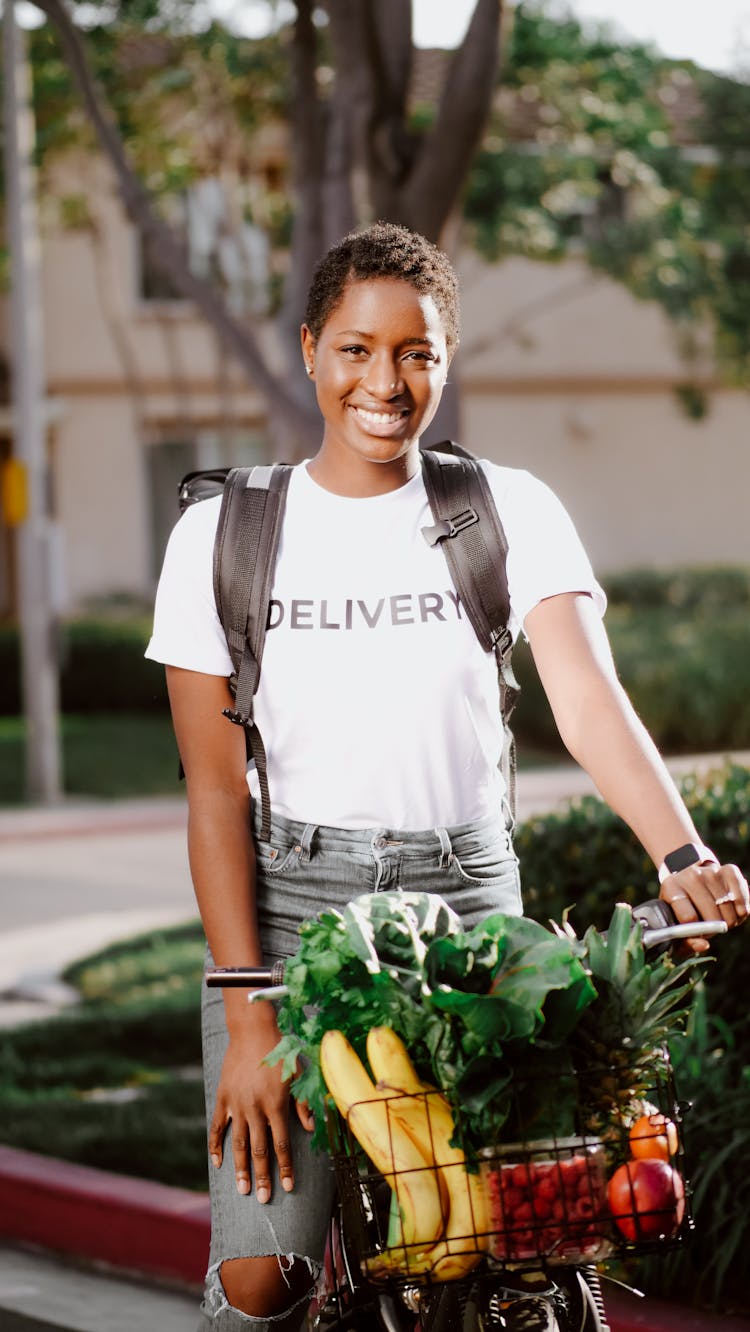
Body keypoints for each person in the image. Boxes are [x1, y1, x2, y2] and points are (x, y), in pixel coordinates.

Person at [146, 221, 748, 1332]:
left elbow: (586, 698)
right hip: (288, 908)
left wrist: (683, 850)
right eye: (358, 350)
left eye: (417, 352)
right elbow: (214, 789)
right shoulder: (223, 533)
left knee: (519, 1237)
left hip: (469, 902)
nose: (387, 380)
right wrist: (243, 1018)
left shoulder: (502, 508)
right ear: (312, 349)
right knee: (260, 1280)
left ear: (446, 362)